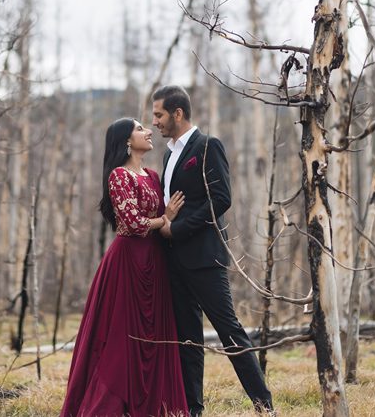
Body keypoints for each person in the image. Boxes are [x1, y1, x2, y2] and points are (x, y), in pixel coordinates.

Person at [151, 86, 274, 415]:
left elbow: (221, 199)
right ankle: (193, 410)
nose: (155, 122)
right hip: (174, 261)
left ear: (178, 113)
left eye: (159, 115)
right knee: (187, 339)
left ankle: (264, 407)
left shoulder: (207, 146)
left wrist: (177, 228)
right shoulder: (168, 155)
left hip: (205, 258)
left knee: (230, 332)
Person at [61, 118, 190, 417]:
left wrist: (165, 220)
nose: (148, 131)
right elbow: (133, 224)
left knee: (153, 331)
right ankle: (116, 402)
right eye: (140, 129)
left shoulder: (153, 175)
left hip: (154, 260)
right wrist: (165, 218)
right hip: (127, 262)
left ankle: (154, 403)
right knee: (122, 333)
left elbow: (153, 221)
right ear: (127, 141)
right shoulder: (119, 175)